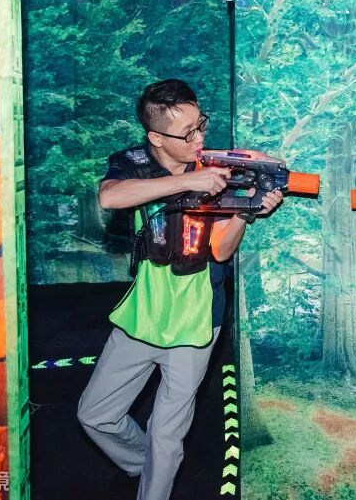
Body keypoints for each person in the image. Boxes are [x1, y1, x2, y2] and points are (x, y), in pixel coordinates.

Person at [77, 79, 283, 500]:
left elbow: (221, 251)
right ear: (156, 137)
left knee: (166, 435)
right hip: (143, 314)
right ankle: (142, 464)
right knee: (95, 414)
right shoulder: (134, 162)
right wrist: (189, 183)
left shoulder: (220, 169)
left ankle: (155, 481)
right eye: (187, 133)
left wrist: (246, 210)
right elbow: (110, 198)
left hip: (196, 320)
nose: (199, 138)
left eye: (200, 125)